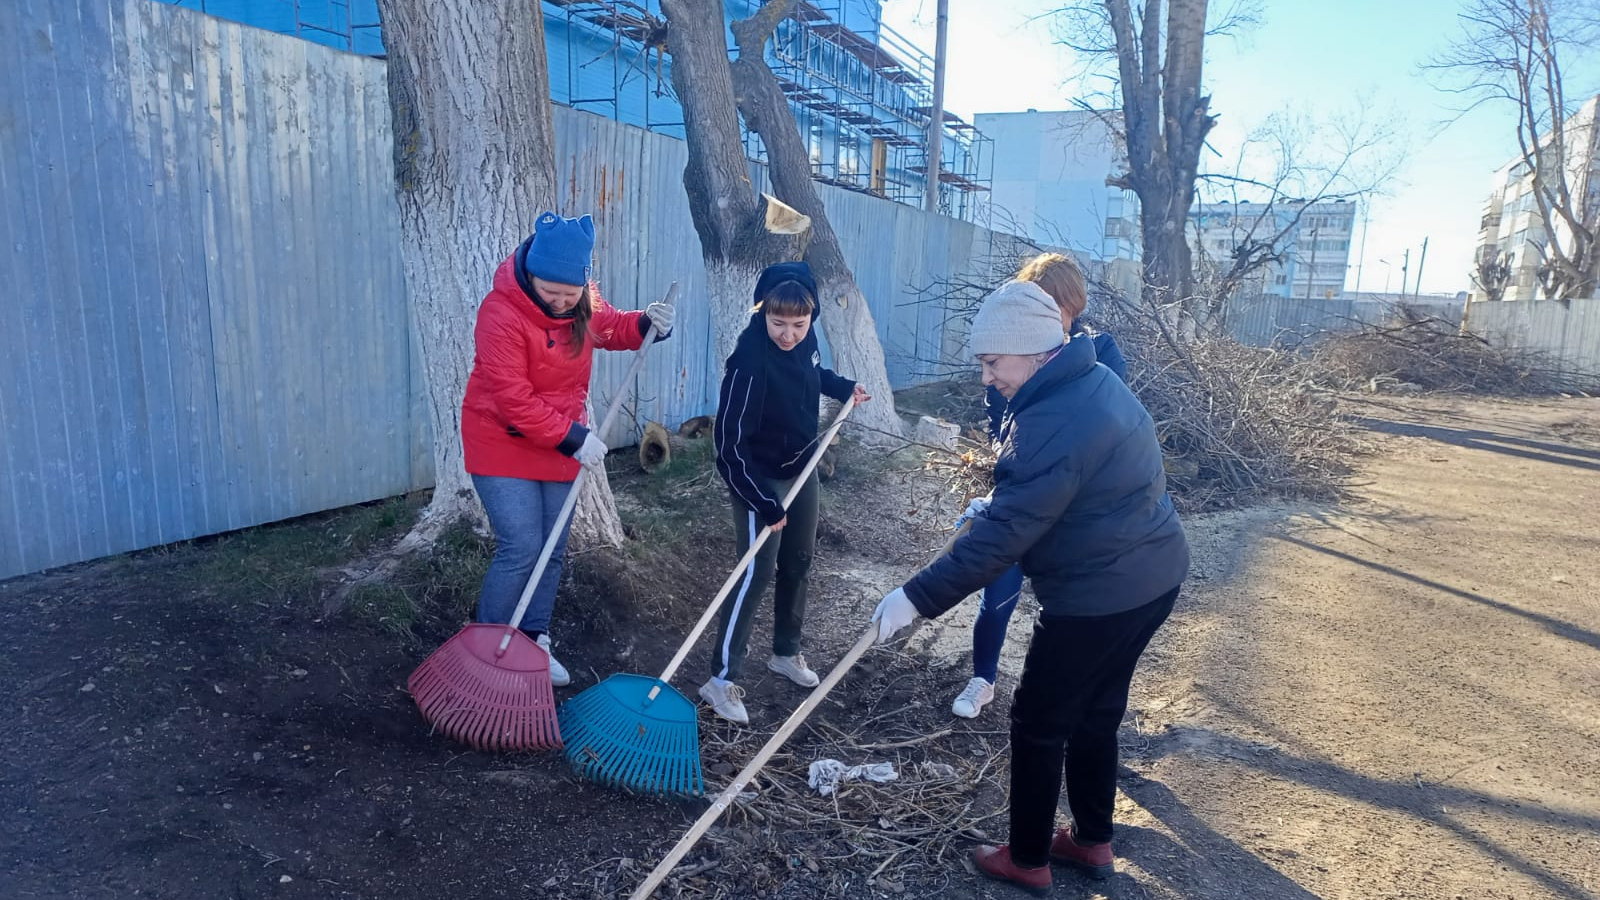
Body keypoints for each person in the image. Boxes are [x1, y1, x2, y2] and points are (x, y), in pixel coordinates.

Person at [871, 279, 1188, 892]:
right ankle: (1093, 841)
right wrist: (1009, 498)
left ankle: (1028, 857)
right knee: (1097, 712)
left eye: (993, 362)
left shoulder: (1053, 415)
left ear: (1034, 351)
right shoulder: (1091, 380)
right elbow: (1063, 488)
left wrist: (915, 597)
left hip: (1099, 595)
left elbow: (1003, 540)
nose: (987, 377)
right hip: (1153, 576)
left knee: (1039, 721)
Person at [460, 211, 674, 687]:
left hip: (558, 442)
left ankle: (533, 637)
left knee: (552, 549)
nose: (559, 302)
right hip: (502, 440)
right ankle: (490, 644)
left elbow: (613, 328)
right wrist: (576, 439)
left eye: (569, 294)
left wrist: (647, 324)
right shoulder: (501, 311)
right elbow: (511, 398)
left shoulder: (584, 302)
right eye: (549, 291)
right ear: (531, 273)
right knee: (521, 545)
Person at [951, 251, 1130, 720]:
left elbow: (1101, 431)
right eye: (1044, 306)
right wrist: (1000, 491)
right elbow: (1004, 435)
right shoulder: (1006, 363)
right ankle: (983, 678)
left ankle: (1089, 700)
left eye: (1064, 310)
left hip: (1078, 504)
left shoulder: (1100, 356)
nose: (1054, 321)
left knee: (1077, 604)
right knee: (999, 580)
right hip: (1027, 491)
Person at [700, 261, 871, 725]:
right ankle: (720, 678)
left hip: (801, 470)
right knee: (756, 571)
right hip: (758, 478)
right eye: (779, 324)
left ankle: (784, 652)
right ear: (763, 312)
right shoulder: (749, 362)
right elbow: (728, 448)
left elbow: (813, 375)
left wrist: (843, 387)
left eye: (799, 324)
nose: (790, 335)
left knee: (799, 561)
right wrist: (763, 500)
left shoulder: (806, 338)